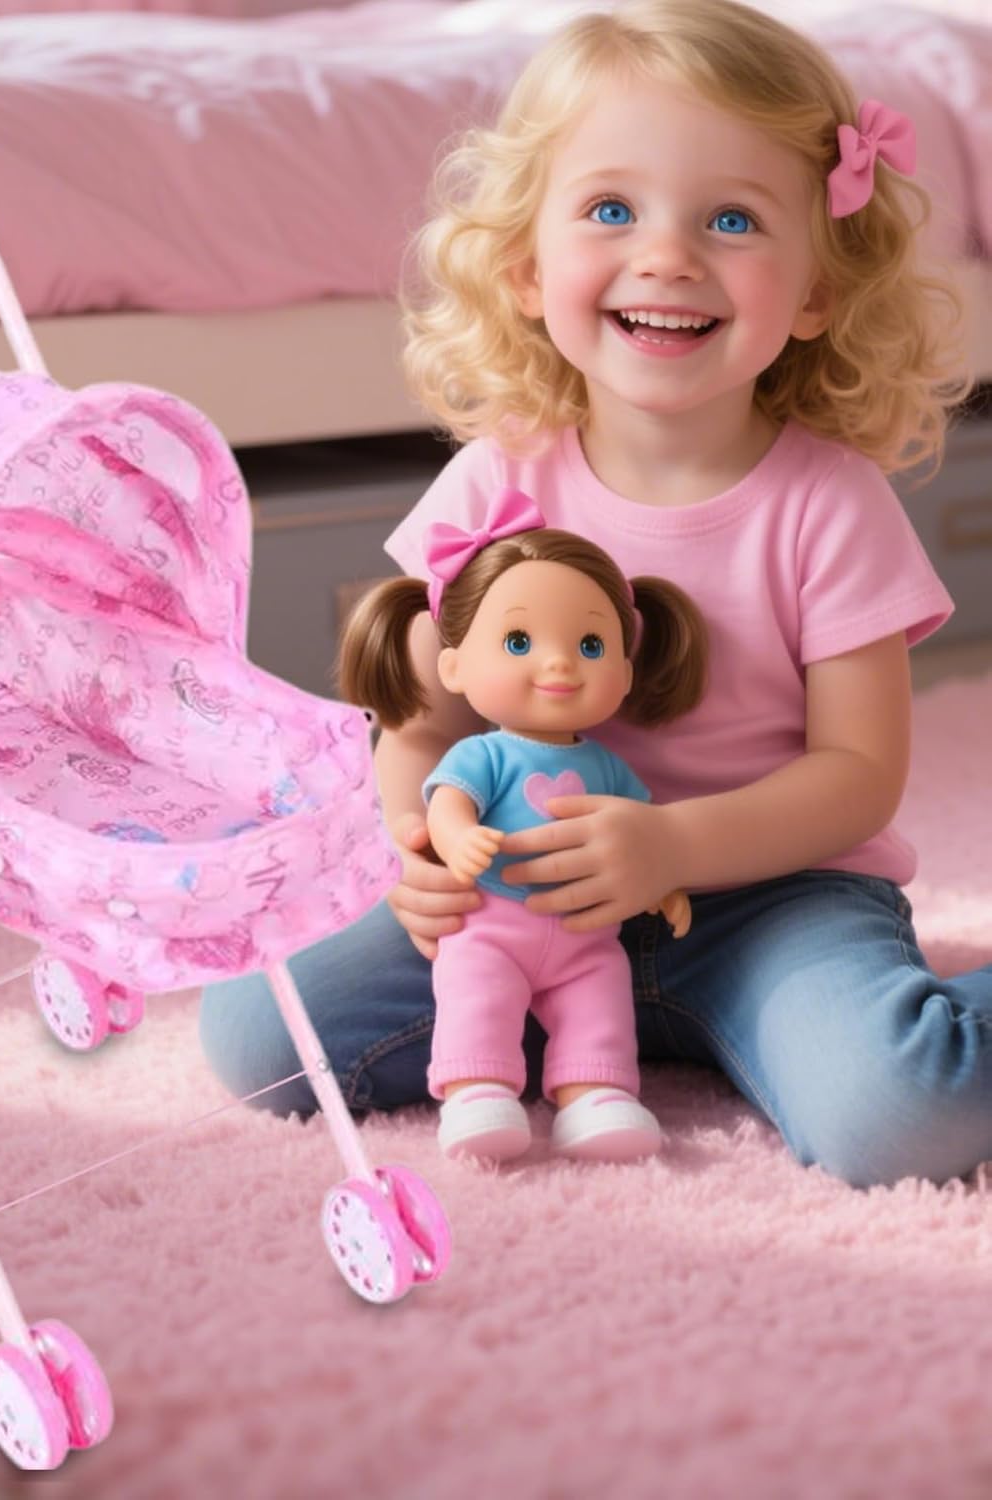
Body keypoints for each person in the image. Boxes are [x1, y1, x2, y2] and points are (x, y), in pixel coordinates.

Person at [199, 0, 990, 1189]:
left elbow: (858, 775)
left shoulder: (829, 501)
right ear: (527, 267)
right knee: (262, 1039)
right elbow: (423, 723)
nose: (667, 257)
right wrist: (423, 847)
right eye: (613, 210)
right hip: (521, 895)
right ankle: (589, 1028)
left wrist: (671, 843)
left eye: (732, 219)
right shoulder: (497, 478)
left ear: (817, 291)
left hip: (768, 900)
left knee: (901, 1118)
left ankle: (731, 1023)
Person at [337, 489, 707, 1160]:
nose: (560, 663)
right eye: (519, 642)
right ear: (453, 667)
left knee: (600, 996)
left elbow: (642, 828)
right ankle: (478, 1090)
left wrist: (666, 881)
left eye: (590, 645)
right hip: (490, 922)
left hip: (585, 930)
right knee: (474, 994)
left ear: (625, 673)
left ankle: (595, 1095)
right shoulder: (483, 754)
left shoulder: (608, 766)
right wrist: (454, 839)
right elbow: (446, 802)